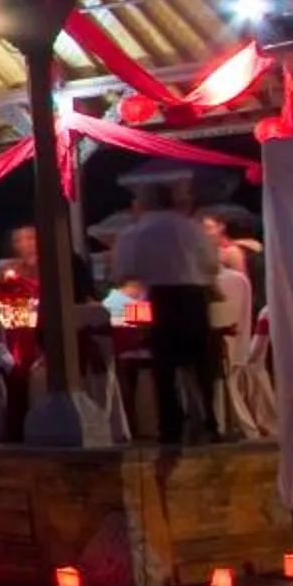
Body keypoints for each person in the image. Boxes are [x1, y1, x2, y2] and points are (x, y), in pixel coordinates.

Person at [113, 181, 223, 444]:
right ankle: (209, 420)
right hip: (195, 298)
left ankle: (170, 427)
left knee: (165, 366)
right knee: (201, 365)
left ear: (143, 205)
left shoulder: (134, 233)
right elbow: (211, 265)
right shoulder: (192, 229)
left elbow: (125, 270)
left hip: (163, 298)